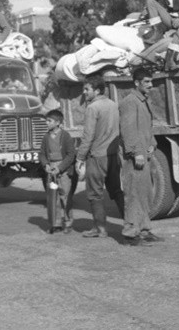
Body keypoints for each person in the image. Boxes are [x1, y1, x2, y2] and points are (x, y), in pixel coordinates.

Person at [119, 68, 163, 247]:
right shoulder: (130, 102)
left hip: (145, 155)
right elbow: (128, 130)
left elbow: (146, 128)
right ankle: (130, 234)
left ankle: (144, 230)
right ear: (136, 83)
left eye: (151, 81)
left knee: (145, 194)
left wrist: (152, 144)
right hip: (136, 157)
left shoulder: (143, 101)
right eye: (146, 82)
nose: (151, 85)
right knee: (134, 194)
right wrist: (136, 152)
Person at [75, 75, 123, 238]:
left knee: (95, 193)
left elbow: (88, 136)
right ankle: (131, 224)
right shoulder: (113, 105)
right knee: (116, 191)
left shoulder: (92, 108)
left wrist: (80, 157)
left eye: (87, 89)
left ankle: (100, 228)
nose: (84, 92)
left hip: (97, 156)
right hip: (112, 155)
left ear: (97, 90)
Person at [38, 109, 77, 234]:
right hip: (51, 170)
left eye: (49, 121)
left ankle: (68, 223)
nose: (47, 123)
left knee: (65, 196)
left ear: (58, 122)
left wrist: (59, 168)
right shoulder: (46, 137)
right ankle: (55, 224)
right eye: (47, 121)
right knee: (52, 198)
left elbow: (71, 155)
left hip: (63, 170)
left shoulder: (65, 136)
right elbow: (42, 154)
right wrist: (46, 166)